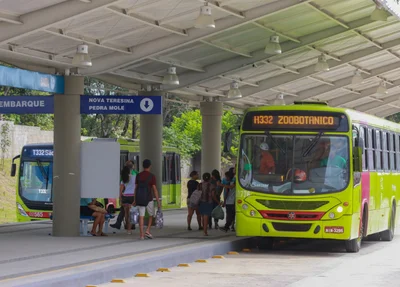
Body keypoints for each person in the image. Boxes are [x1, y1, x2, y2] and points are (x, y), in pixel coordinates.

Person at [133, 159, 161, 240]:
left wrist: (135, 199)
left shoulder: (138, 175)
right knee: (151, 215)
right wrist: (158, 201)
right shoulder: (152, 176)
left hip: (140, 198)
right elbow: (154, 189)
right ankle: (147, 230)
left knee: (141, 217)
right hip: (149, 198)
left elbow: (135, 188)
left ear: (142, 166)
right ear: (150, 166)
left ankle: (141, 235)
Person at [111, 160, 138, 230]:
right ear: (133, 167)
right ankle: (132, 225)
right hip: (133, 196)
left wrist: (120, 198)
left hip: (125, 196)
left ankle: (122, 225)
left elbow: (121, 188)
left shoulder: (124, 176)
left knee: (124, 211)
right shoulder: (136, 174)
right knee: (133, 211)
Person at [120, 166, 135, 234]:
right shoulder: (134, 177)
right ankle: (129, 229)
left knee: (126, 214)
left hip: (125, 197)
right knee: (131, 214)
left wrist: (120, 199)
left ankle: (127, 228)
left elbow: (120, 190)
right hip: (132, 197)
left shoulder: (123, 179)